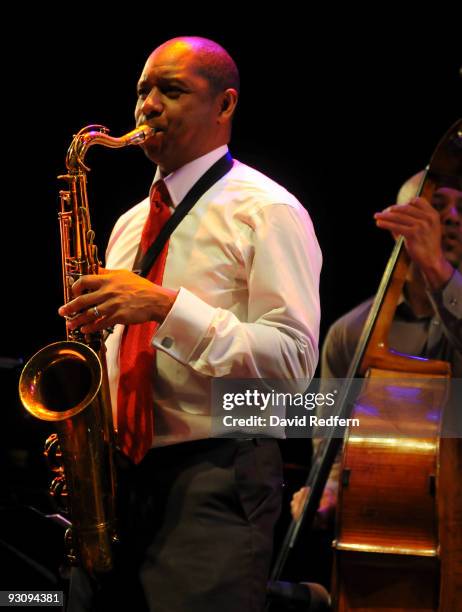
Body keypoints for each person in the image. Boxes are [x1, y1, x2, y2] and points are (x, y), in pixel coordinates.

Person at [58, 36, 322, 612]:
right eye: (142, 91)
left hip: (217, 478)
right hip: (116, 482)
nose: (147, 106)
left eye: (170, 91)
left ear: (225, 105)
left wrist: (165, 307)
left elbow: (296, 366)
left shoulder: (268, 210)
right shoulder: (129, 223)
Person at [291, 170, 462, 526]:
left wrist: (436, 268)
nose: (452, 217)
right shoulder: (351, 333)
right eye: (437, 206)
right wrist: (330, 489)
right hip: (385, 520)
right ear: (399, 223)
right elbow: (332, 440)